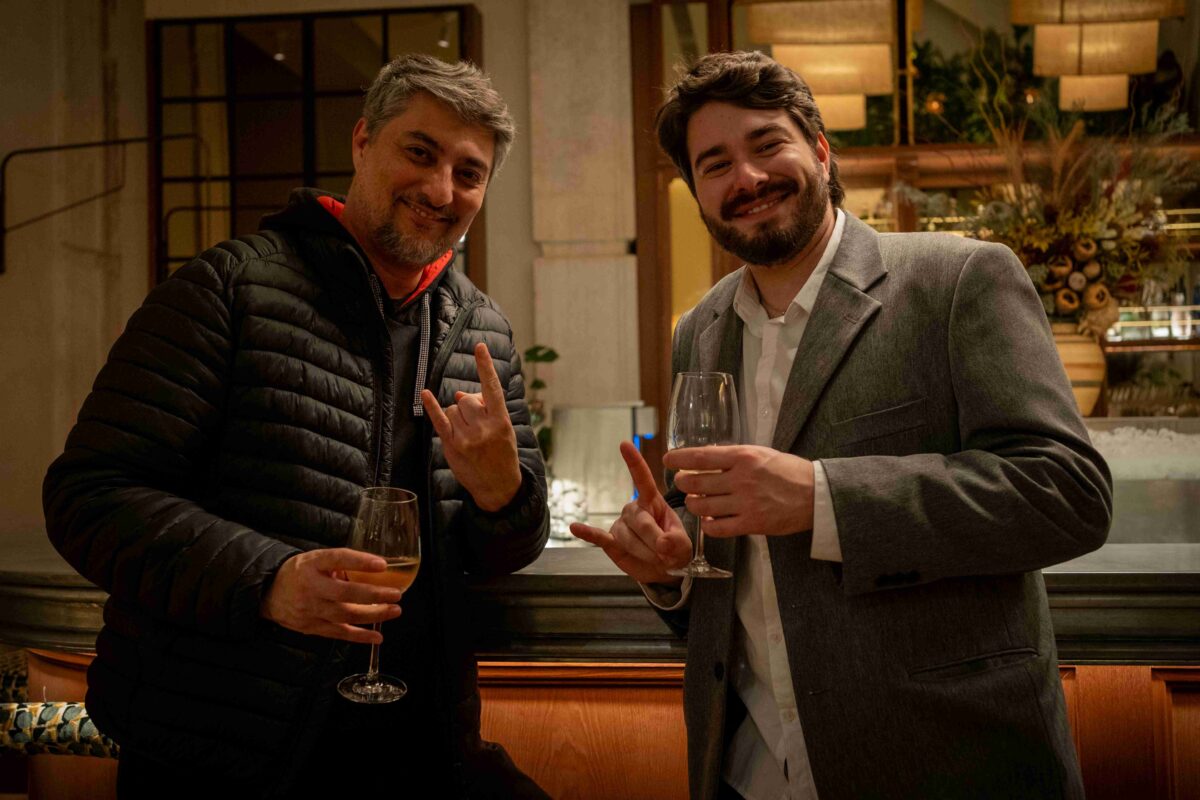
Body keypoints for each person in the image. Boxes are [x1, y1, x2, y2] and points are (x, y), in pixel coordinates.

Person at [572, 51, 1112, 800]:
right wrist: (673, 567)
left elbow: (1068, 493)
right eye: (715, 164)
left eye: (767, 145)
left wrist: (823, 498)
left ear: (821, 152)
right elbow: (730, 560)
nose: (747, 178)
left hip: (941, 764)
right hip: (748, 772)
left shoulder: (959, 279)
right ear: (696, 192)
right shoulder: (699, 330)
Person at [44, 55, 550, 799]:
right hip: (223, 748)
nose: (442, 190)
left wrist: (505, 494)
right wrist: (267, 581)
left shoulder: (483, 331)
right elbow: (90, 497)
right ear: (362, 142)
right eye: (419, 152)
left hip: (415, 748)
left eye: (468, 173)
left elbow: (507, 549)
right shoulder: (229, 287)